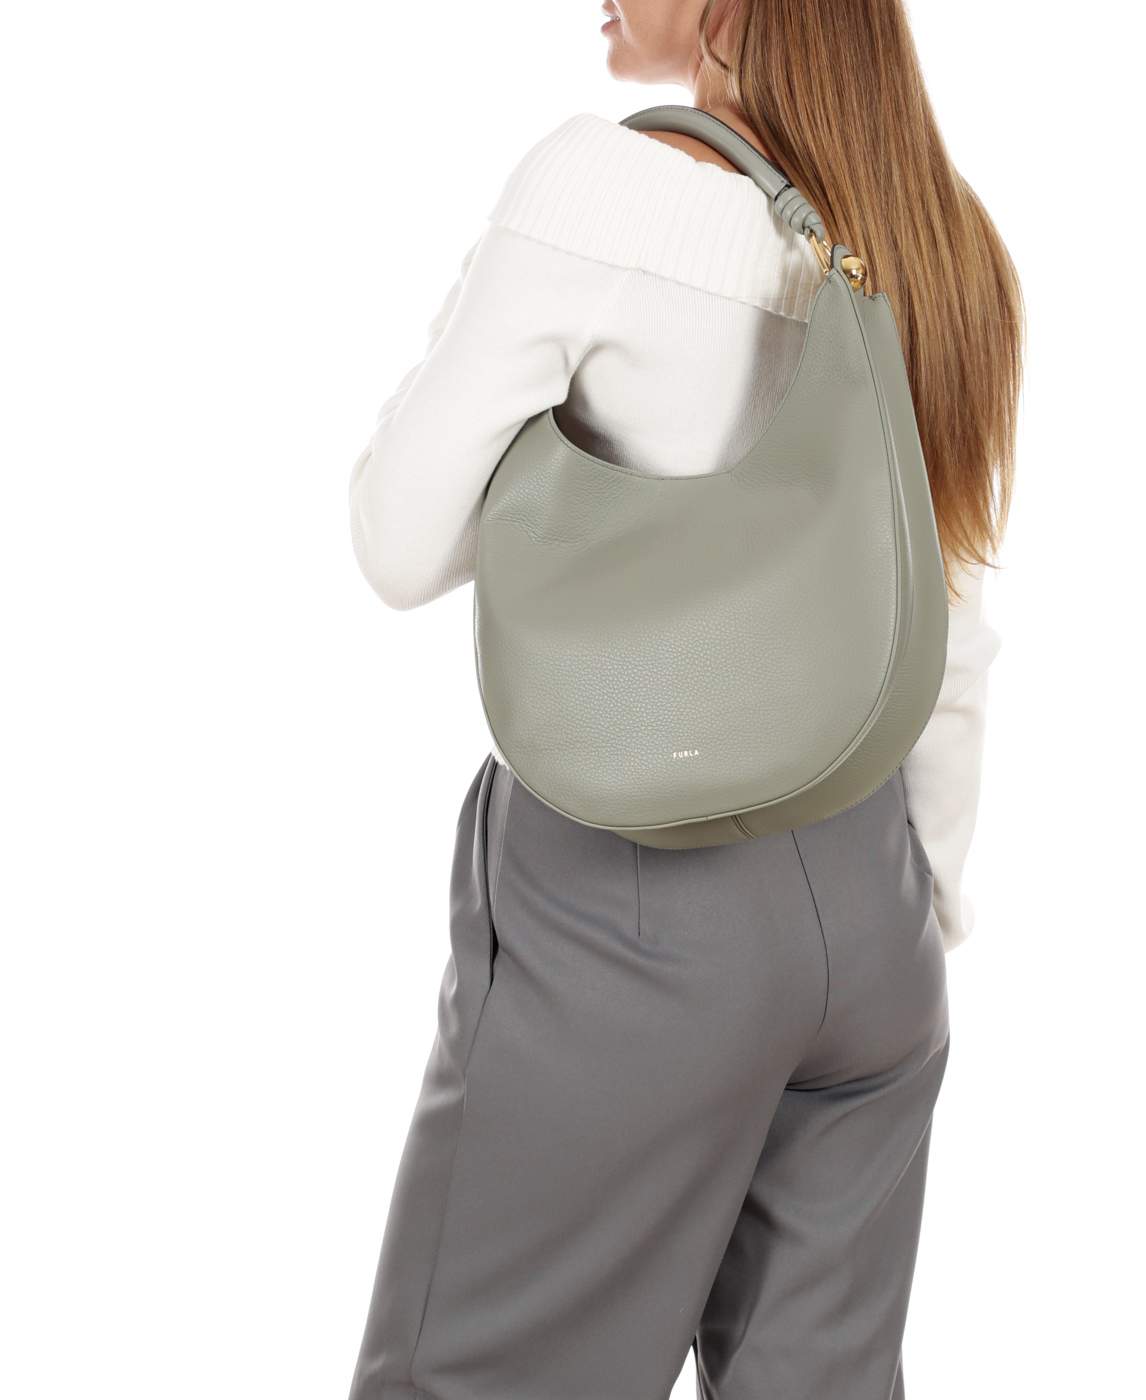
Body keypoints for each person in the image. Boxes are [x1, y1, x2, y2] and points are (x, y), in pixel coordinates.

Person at [345, 1, 1022, 1395]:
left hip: (635, 902)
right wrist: (918, 903)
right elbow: (947, 623)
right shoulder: (940, 238)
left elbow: (397, 542)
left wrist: (497, 297)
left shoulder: (599, 189)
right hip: (874, 917)